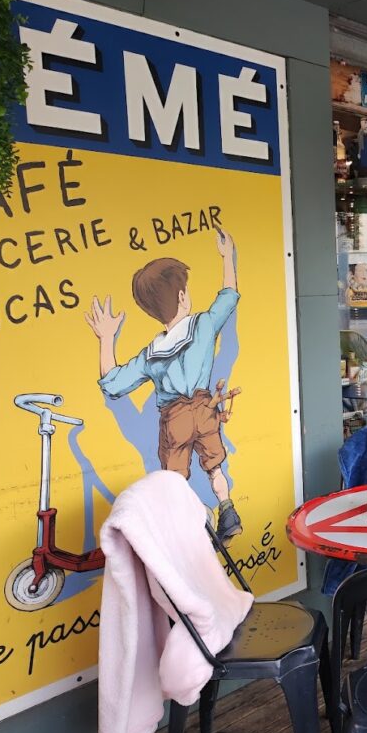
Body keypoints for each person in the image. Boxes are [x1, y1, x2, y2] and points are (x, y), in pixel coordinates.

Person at [84, 228, 244, 541]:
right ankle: (227, 508)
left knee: (175, 480)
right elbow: (228, 297)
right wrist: (227, 258)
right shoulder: (203, 325)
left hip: (175, 418)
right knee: (214, 468)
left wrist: (106, 339)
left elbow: (113, 383)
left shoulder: (151, 355)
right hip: (205, 408)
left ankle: (194, 525)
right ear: (183, 295)